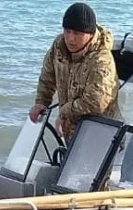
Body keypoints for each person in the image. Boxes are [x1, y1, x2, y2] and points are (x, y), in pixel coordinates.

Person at [29, 2, 118, 142]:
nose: (71, 38)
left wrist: (65, 112)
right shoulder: (59, 46)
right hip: (72, 134)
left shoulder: (102, 60)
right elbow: (47, 77)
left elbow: (96, 102)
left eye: (77, 33)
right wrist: (41, 102)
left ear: (90, 34)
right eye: (67, 31)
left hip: (101, 135)